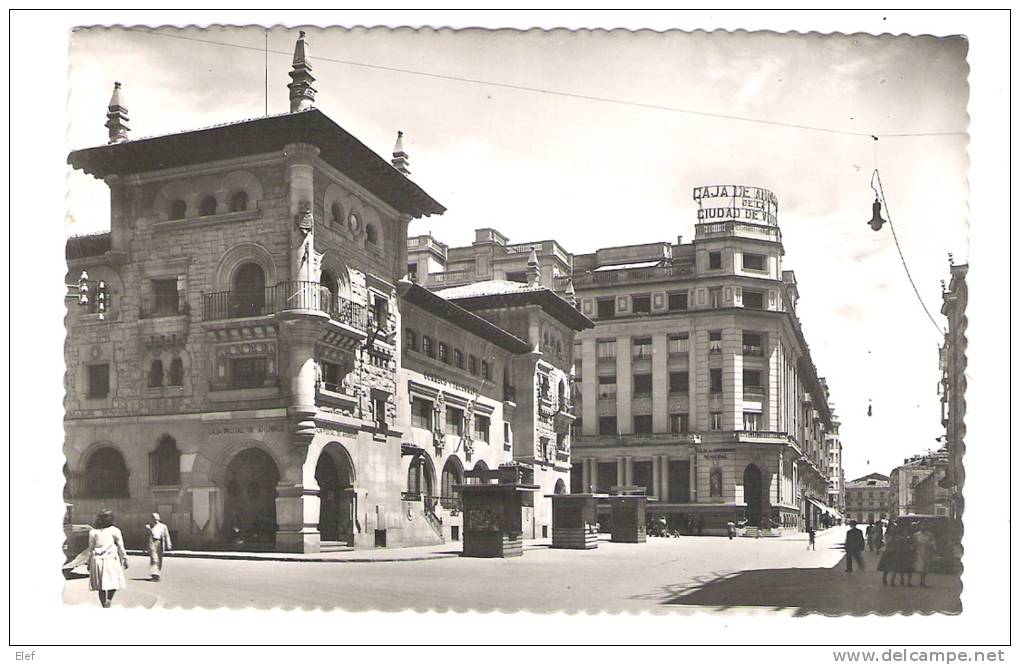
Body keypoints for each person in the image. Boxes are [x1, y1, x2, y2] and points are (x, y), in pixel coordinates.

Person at [87, 510, 128, 608]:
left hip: (97, 560)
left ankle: (104, 605)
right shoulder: (115, 530)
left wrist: (88, 562)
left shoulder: (93, 532)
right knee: (113, 582)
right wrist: (125, 558)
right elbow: (121, 546)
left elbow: (90, 548)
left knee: (101, 585)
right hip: (111, 560)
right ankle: (109, 600)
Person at [145, 512, 173, 581]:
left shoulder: (163, 526)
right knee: (154, 559)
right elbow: (148, 536)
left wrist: (168, 544)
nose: (155, 520)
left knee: (159, 559)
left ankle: (157, 574)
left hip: (160, 543)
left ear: (159, 518)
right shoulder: (149, 526)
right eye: (153, 518)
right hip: (152, 543)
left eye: (156, 518)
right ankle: (154, 575)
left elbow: (167, 535)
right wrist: (149, 529)